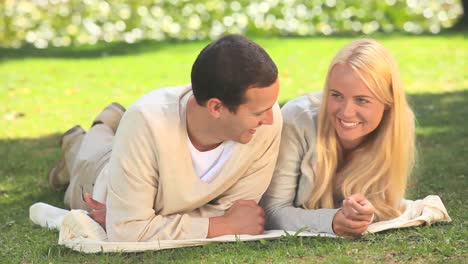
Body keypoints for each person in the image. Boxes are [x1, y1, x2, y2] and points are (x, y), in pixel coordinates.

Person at [48, 34, 283, 241]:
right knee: (87, 151)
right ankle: (87, 133)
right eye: (258, 112)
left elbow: (239, 212)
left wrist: (143, 221)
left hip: (138, 162)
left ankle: (112, 121)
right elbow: (128, 232)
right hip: (100, 178)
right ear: (216, 107)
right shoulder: (147, 121)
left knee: (121, 139)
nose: (270, 119)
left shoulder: (266, 124)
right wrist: (221, 226)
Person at [260, 39, 415, 237]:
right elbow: (272, 211)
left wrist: (366, 214)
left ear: (387, 103)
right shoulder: (298, 119)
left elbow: (386, 206)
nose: (347, 113)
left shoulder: (396, 126)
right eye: (336, 95)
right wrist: (331, 221)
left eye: (362, 100)